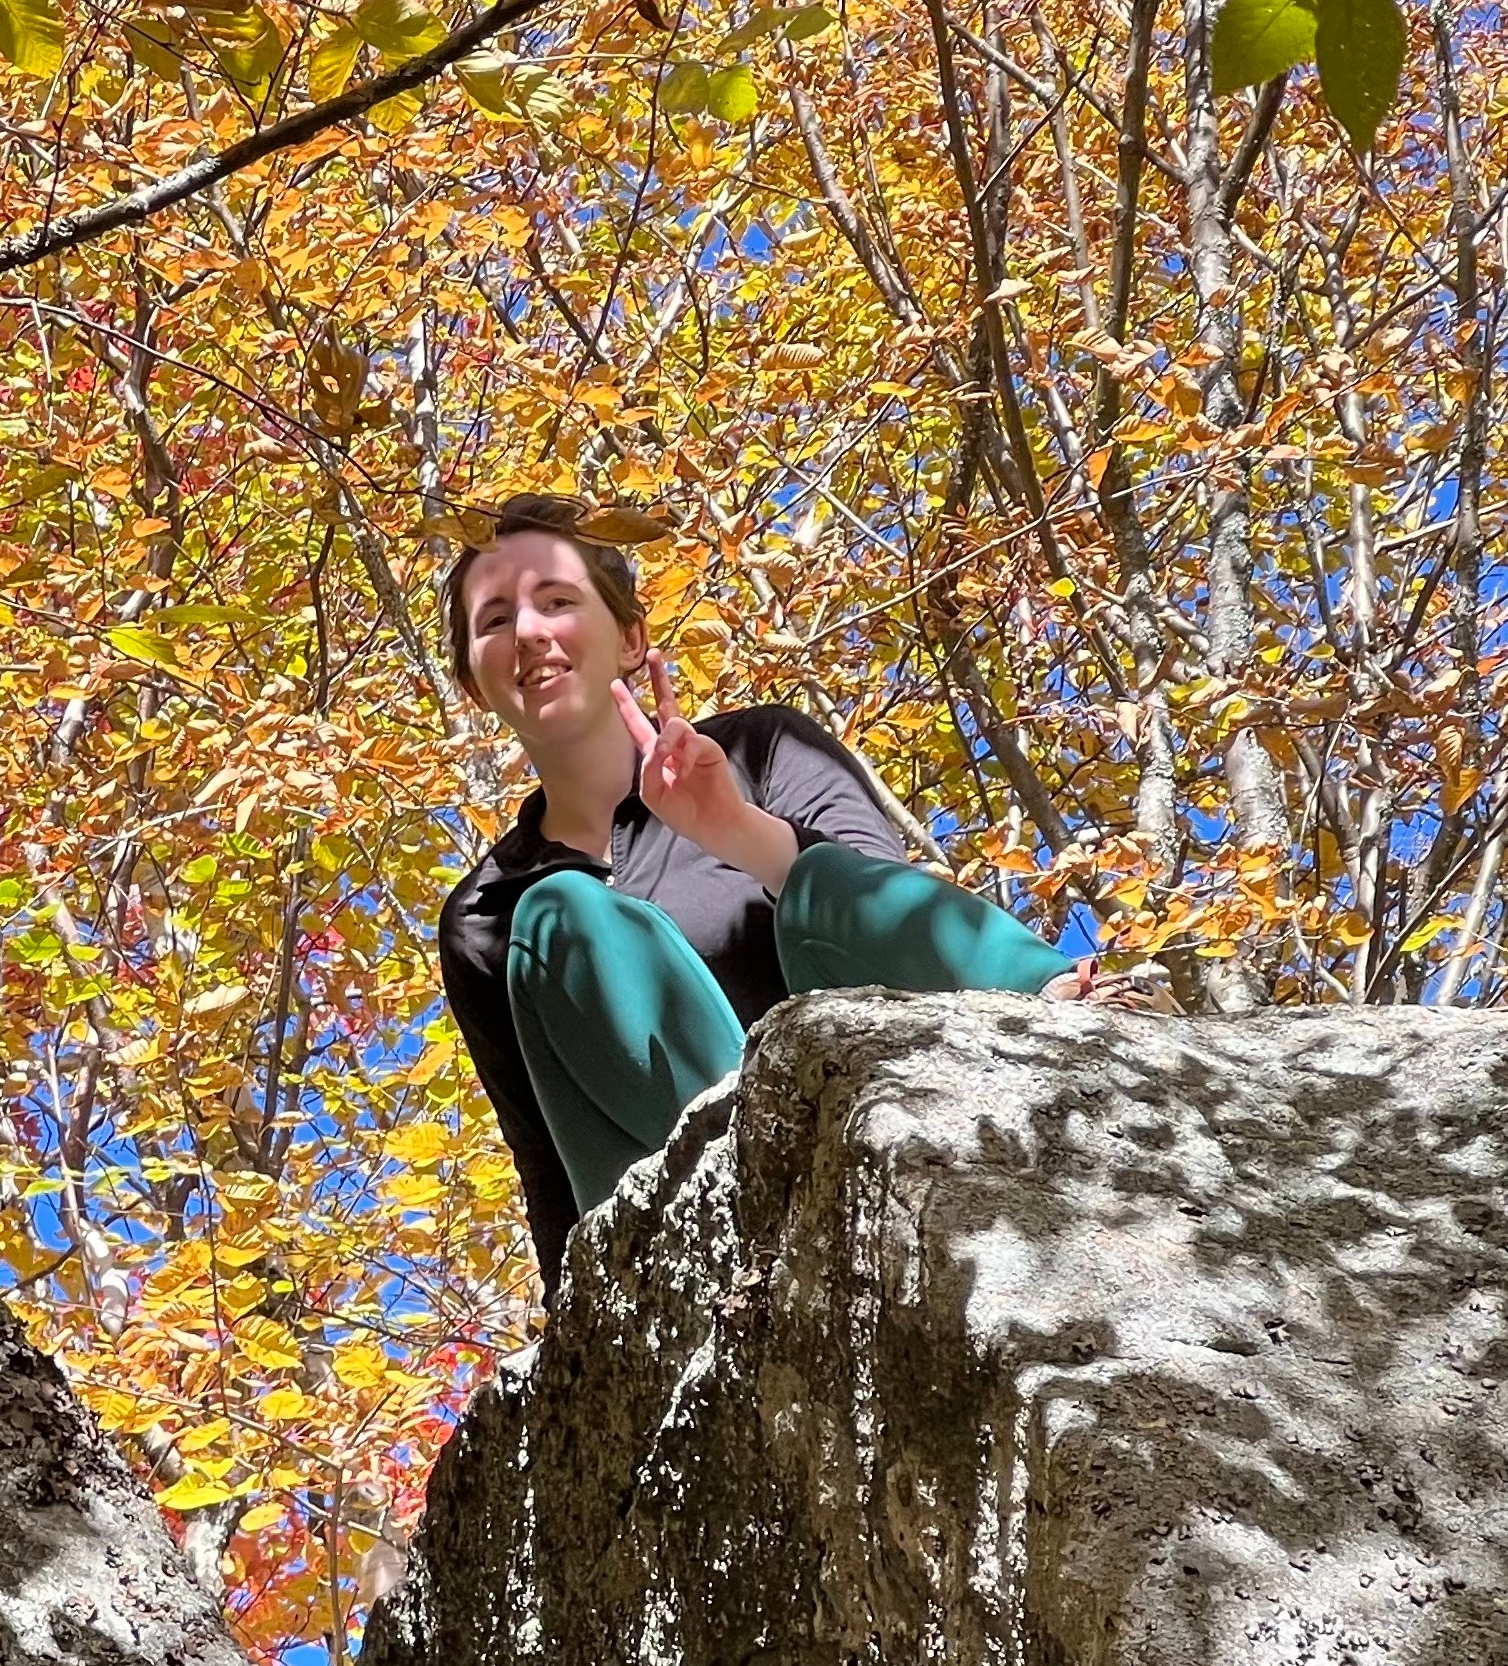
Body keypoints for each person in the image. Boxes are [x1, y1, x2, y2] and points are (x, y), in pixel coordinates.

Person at [434, 491, 1164, 1293]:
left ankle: (1066, 1001)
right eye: (494, 618)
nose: (529, 632)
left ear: (633, 638)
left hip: (863, 1116)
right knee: (562, 912)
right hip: (673, 1213)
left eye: (558, 600)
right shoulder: (489, 914)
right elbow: (546, 1150)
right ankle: (733, 1172)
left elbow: (879, 919)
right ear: (474, 679)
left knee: (811, 875)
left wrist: (734, 828)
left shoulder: (761, 749)